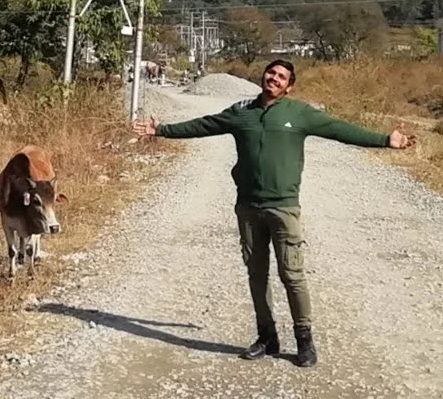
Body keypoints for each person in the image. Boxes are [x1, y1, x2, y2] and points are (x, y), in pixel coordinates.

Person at [131, 58, 416, 368]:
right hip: (248, 207)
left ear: (289, 86)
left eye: (282, 77)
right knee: (256, 274)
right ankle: (267, 337)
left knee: (292, 275)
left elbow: (340, 130)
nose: (274, 78)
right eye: (271, 73)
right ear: (263, 76)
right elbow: (204, 125)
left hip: (284, 207)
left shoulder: (300, 113)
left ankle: (304, 340)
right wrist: (161, 130)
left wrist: (384, 141)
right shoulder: (242, 112)